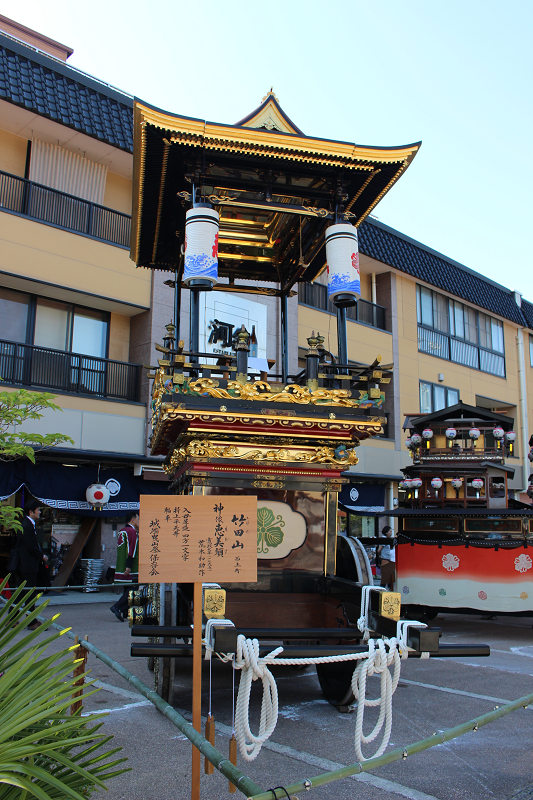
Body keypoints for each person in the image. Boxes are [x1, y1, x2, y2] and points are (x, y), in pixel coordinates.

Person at [17, 499, 48, 630]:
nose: (40, 512)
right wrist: (42, 556)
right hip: (28, 564)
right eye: (38, 510)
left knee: (21, 592)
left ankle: (12, 618)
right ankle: (31, 621)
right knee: (29, 593)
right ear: (31, 511)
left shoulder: (28, 524)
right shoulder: (27, 525)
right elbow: (30, 545)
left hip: (26, 563)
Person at [110, 511, 139, 622]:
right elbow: (131, 550)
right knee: (133, 589)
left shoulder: (122, 531)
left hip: (121, 565)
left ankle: (126, 612)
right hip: (130, 566)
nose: (139, 521)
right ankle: (117, 607)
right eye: (138, 519)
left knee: (127, 588)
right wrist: (129, 566)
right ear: (133, 519)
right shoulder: (131, 531)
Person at [378, 525, 396, 590]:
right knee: (387, 577)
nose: (391, 533)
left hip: (386, 559)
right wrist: (381, 556)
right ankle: (384, 589)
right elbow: (379, 550)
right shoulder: (384, 540)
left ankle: (384, 589)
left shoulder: (387, 540)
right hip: (385, 559)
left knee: (387, 577)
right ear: (386, 533)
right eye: (390, 532)